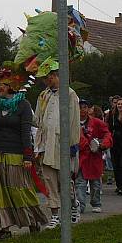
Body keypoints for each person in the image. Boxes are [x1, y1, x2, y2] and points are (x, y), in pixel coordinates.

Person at [0, 68, 46, 240]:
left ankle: (32, 221)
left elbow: (26, 132)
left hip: (16, 153)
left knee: (19, 189)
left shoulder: (23, 105)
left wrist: (27, 156)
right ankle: (5, 227)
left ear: (10, 85)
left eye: (0, 85)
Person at [34, 66, 81, 228]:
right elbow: (38, 120)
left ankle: (73, 206)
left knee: (65, 180)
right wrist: (37, 145)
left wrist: (73, 144)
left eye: (48, 78)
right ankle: (55, 215)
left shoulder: (70, 94)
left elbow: (74, 121)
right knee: (49, 180)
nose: (46, 81)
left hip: (62, 144)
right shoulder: (43, 95)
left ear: (55, 76)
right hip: (46, 144)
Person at [75, 99, 112, 213]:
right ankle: (80, 205)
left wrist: (102, 145)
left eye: (85, 107)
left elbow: (107, 134)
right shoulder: (73, 122)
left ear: (89, 109)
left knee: (95, 182)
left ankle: (96, 203)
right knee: (80, 182)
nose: (82, 110)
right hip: (80, 157)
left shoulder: (96, 122)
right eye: (80, 107)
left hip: (94, 156)